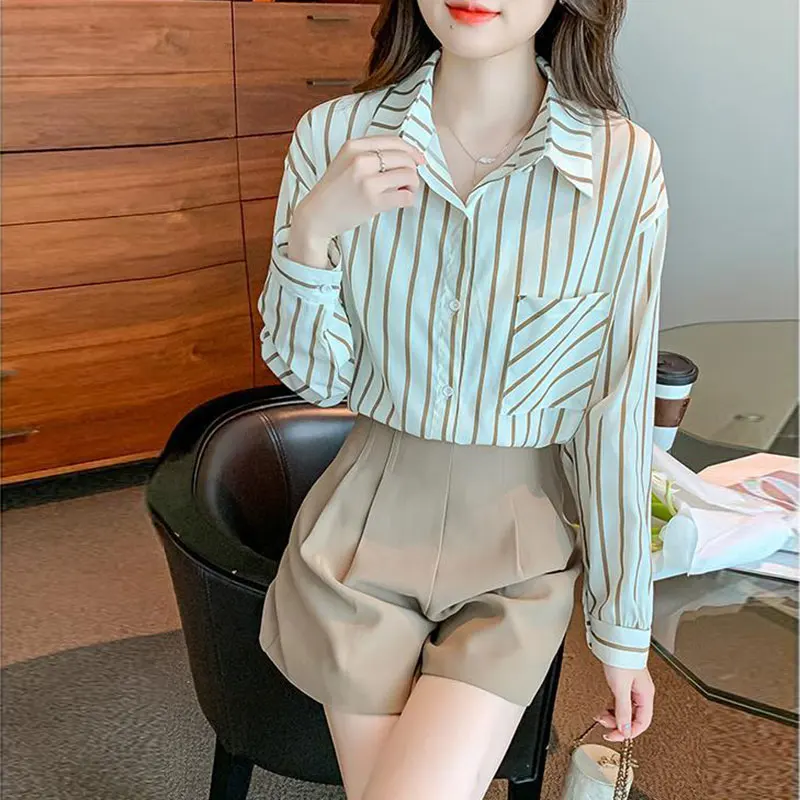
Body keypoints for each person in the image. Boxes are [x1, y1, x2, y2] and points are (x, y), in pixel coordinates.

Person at [257, 0, 667, 798]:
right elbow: (316, 379)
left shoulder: (621, 165)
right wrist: (312, 235)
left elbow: (614, 412)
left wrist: (623, 632)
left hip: (518, 549)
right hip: (362, 535)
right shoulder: (335, 136)